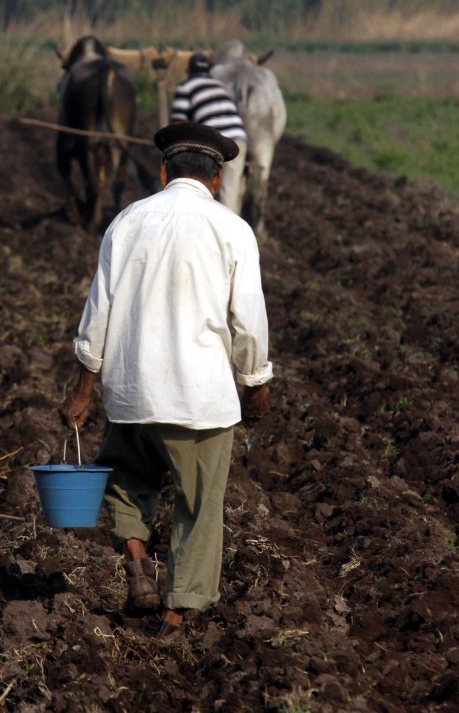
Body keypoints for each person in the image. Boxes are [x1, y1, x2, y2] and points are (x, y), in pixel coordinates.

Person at [58, 121, 272, 641]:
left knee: (123, 483)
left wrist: (84, 390)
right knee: (199, 508)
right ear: (216, 179)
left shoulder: (128, 221)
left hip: (132, 393)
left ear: (163, 172)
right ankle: (175, 615)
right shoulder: (233, 230)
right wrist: (256, 384)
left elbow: (98, 312)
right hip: (201, 400)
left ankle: (137, 565)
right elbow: (249, 323)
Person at [170, 52, 248, 215]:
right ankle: (229, 224)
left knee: (202, 188)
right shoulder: (220, 85)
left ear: (188, 70)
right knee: (230, 191)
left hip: (212, 142)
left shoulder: (186, 86)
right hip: (238, 139)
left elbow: (178, 125)